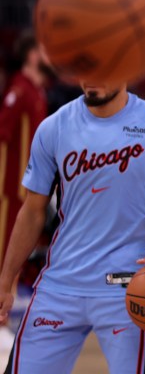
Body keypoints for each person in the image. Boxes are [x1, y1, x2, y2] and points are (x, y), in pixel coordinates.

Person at [0, 76, 145, 373]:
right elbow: (32, 211)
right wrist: (5, 281)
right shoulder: (54, 127)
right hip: (60, 285)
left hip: (129, 287)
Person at [0, 32, 49, 350]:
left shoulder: (35, 90)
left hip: (27, 191)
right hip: (10, 190)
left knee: (13, 256)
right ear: (32, 54)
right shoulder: (19, 89)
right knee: (5, 254)